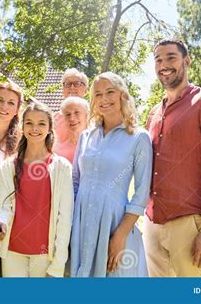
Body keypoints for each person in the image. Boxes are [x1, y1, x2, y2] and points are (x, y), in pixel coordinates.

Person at [143, 38, 201, 277]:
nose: (164, 64)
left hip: (189, 225)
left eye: (171, 57)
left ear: (186, 61)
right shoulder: (154, 112)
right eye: (158, 59)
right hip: (152, 224)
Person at [70, 72, 153, 277]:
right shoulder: (86, 136)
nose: (104, 99)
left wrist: (120, 235)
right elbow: (75, 182)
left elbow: (142, 194)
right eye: (98, 94)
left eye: (110, 92)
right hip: (81, 223)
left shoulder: (138, 137)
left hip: (114, 222)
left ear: (122, 96)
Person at [0, 102, 74, 277]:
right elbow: (4, 206)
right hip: (13, 250)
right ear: (22, 126)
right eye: (29, 123)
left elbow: (65, 218)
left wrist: (58, 263)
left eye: (41, 123)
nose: (35, 128)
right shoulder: (8, 166)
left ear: (50, 128)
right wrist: (1, 223)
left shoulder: (62, 167)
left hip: (45, 254)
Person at [54, 68, 88, 143]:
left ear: (86, 90)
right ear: (62, 89)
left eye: (77, 83)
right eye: (67, 84)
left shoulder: (94, 117)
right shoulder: (53, 119)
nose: (72, 87)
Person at [53, 96, 89, 163]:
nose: (72, 118)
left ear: (86, 114)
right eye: (68, 114)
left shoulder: (96, 144)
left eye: (77, 112)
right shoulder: (57, 151)